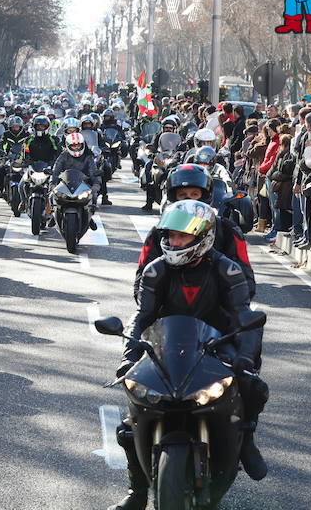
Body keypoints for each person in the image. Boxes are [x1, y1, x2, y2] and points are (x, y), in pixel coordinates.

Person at [109, 201, 268, 510]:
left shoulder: (227, 270)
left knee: (254, 387)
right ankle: (137, 493)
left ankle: (246, 438)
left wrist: (244, 358)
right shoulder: (156, 270)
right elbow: (142, 317)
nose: (174, 243)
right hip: (166, 346)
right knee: (128, 425)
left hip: (218, 343)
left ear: (204, 237)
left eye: (182, 237)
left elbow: (242, 316)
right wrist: (130, 354)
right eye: (170, 236)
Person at [135, 164, 255, 302]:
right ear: (174, 197)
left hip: (216, 313)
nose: (189, 200)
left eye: (194, 194)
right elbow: (141, 280)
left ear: (205, 195)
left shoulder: (227, 230)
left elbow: (246, 280)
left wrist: (234, 306)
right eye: (183, 195)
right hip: (169, 315)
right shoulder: (159, 231)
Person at [52, 132, 101, 210]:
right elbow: (56, 169)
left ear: (83, 144)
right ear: (68, 146)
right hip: (65, 184)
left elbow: (93, 171)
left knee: (93, 197)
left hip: (83, 185)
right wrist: (53, 183)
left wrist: (96, 183)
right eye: (74, 146)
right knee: (53, 197)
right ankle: (53, 217)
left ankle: (89, 218)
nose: (76, 148)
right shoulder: (63, 155)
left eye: (78, 145)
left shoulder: (88, 156)